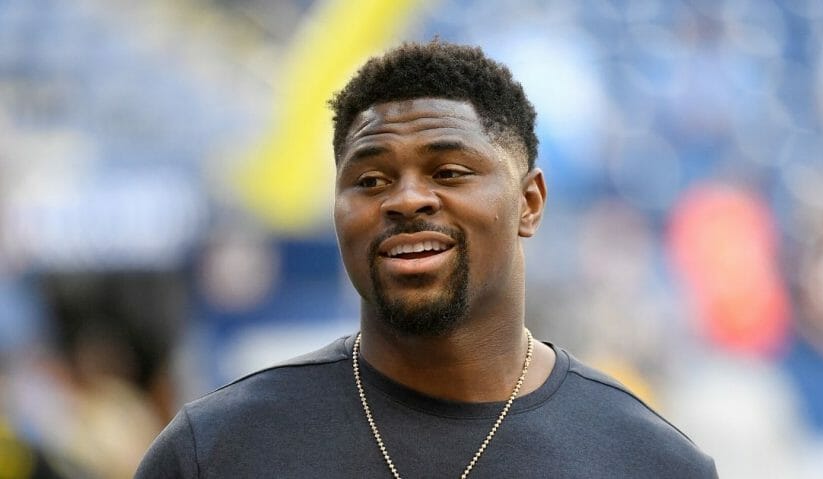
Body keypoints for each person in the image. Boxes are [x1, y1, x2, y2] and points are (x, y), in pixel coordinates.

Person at [136, 40, 718, 478]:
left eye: (449, 172)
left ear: (529, 202)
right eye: (370, 179)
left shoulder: (647, 461)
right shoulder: (214, 452)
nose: (407, 199)